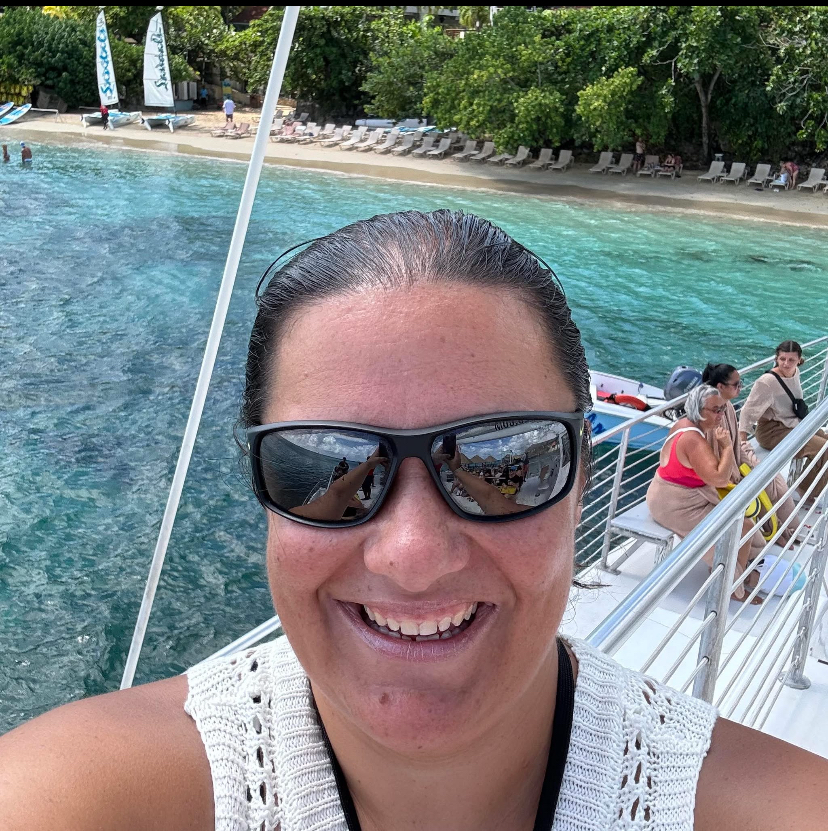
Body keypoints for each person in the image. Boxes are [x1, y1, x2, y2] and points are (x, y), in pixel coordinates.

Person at [2, 211, 828, 830]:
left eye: (504, 463)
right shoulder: (81, 798)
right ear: (262, 489)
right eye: (324, 466)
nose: (413, 554)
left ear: (580, 477)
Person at [646, 384, 765, 603]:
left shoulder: (684, 424)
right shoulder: (693, 440)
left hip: (671, 494)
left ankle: (733, 575)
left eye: (722, 409)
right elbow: (719, 478)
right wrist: (727, 446)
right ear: (699, 410)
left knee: (746, 525)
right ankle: (729, 587)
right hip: (675, 505)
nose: (722, 415)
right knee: (732, 532)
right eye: (716, 410)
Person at [702, 362, 797, 545]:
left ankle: (782, 527)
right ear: (720, 387)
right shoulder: (711, 415)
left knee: (772, 479)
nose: (741, 388)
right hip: (721, 476)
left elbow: (735, 444)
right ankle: (774, 530)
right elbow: (715, 460)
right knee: (757, 487)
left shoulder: (727, 406)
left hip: (736, 461)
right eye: (736, 385)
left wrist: (751, 464)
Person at [739, 340, 828, 503]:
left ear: (799, 360)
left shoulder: (795, 373)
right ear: (776, 358)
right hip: (772, 431)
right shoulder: (767, 382)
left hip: (792, 424)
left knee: (825, 440)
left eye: (791, 360)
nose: (786, 364)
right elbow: (747, 411)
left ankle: (813, 484)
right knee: (824, 449)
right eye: (782, 359)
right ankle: (804, 491)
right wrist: (743, 441)